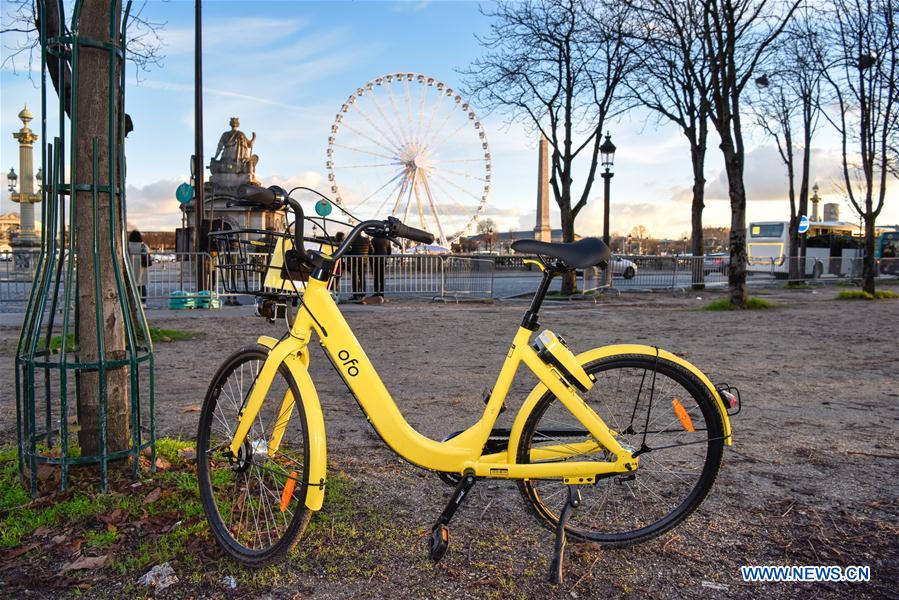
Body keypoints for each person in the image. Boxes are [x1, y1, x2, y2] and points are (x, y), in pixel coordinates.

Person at [128, 230, 152, 304]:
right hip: (141, 269)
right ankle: (143, 302)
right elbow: (149, 252)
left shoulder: (127, 246)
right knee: (142, 286)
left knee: (131, 287)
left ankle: (132, 302)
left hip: (130, 268)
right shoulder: (143, 246)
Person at [347, 232, 372, 301]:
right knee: (362, 277)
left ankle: (355, 295)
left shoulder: (351, 240)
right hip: (363, 262)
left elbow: (347, 250)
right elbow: (372, 250)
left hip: (353, 261)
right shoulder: (366, 240)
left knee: (354, 278)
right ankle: (363, 293)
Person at [370, 234, 392, 301]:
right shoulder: (387, 240)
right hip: (383, 259)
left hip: (375, 260)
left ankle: (376, 292)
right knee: (382, 277)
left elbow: (371, 251)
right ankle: (382, 293)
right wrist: (386, 257)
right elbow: (389, 251)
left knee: (376, 277)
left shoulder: (373, 240)